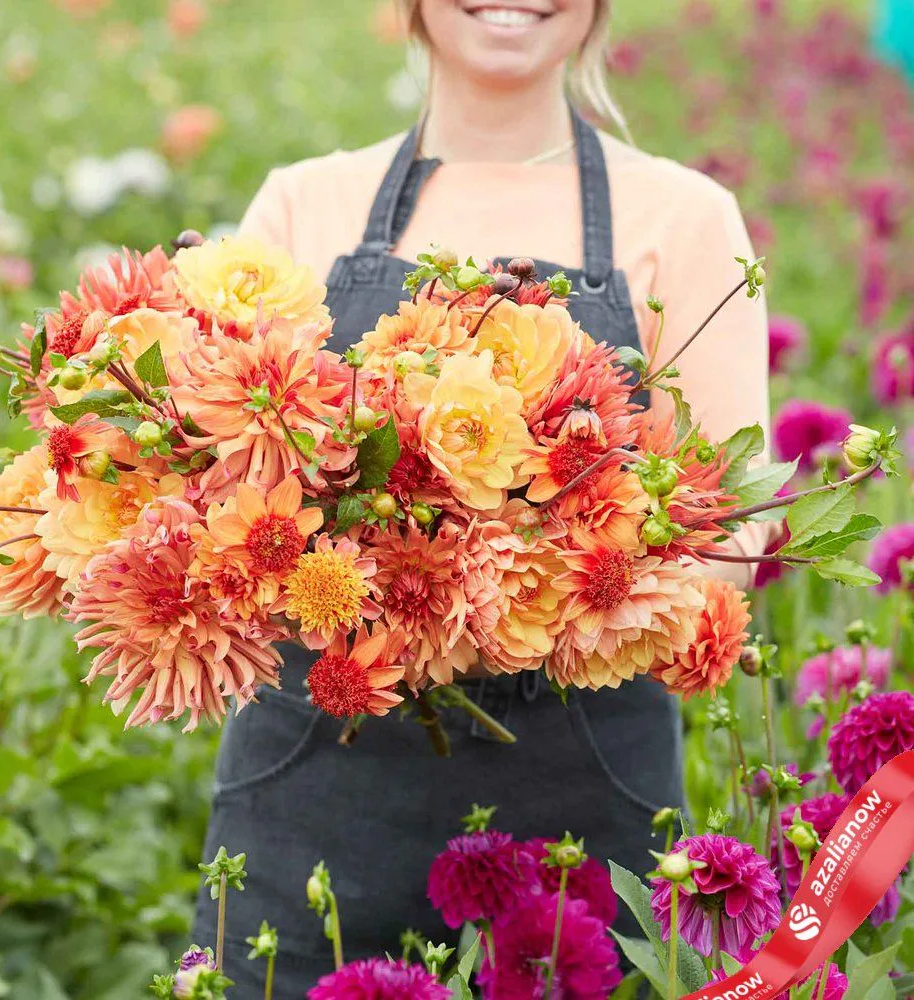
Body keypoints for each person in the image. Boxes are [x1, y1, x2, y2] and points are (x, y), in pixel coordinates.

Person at [193, 1, 771, 994]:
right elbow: (218, 493)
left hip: (578, 795)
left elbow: (735, 528)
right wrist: (387, 561)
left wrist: (525, 577)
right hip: (315, 788)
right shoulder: (303, 206)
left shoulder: (684, 217)